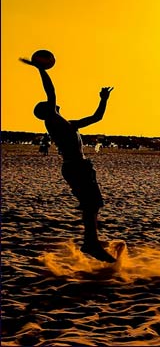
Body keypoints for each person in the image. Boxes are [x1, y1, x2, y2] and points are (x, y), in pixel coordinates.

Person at [20, 57, 117, 263]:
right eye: (49, 104)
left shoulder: (68, 124)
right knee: (90, 204)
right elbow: (51, 91)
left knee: (93, 204)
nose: (53, 102)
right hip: (76, 167)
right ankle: (91, 242)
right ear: (47, 110)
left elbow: (97, 117)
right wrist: (41, 70)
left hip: (79, 166)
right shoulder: (52, 120)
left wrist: (104, 99)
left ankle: (91, 241)